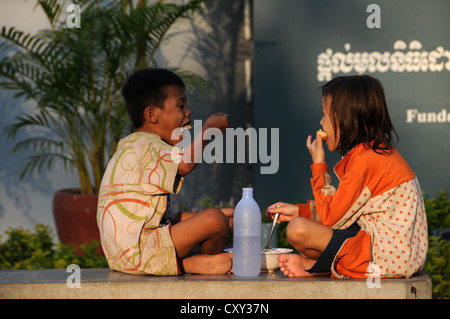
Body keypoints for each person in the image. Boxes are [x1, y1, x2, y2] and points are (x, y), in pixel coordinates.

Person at [267, 75, 428, 279]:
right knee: (300, 224)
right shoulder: (372, 153)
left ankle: (322, 267)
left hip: (385, 258)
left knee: (298, 230)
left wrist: (318, 166)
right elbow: (345, 212)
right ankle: (321, 266)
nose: (321, 122)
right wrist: (301, 210)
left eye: (324, 115)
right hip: (389, 252)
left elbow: (330, 218)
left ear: (344, 119)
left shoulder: (366, 160)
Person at [97, 68, 233, 275]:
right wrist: (209, 130)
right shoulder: (148, 145)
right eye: (181, 105)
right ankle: (201, 261)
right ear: (152, 114)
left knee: (217, 218)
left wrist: (202, 219)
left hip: (123, 257)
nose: (188, 112)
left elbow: (165, 217)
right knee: (215, 219)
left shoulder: (130, 146)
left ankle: (186, 264)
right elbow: (185, 165)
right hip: (143, 250)